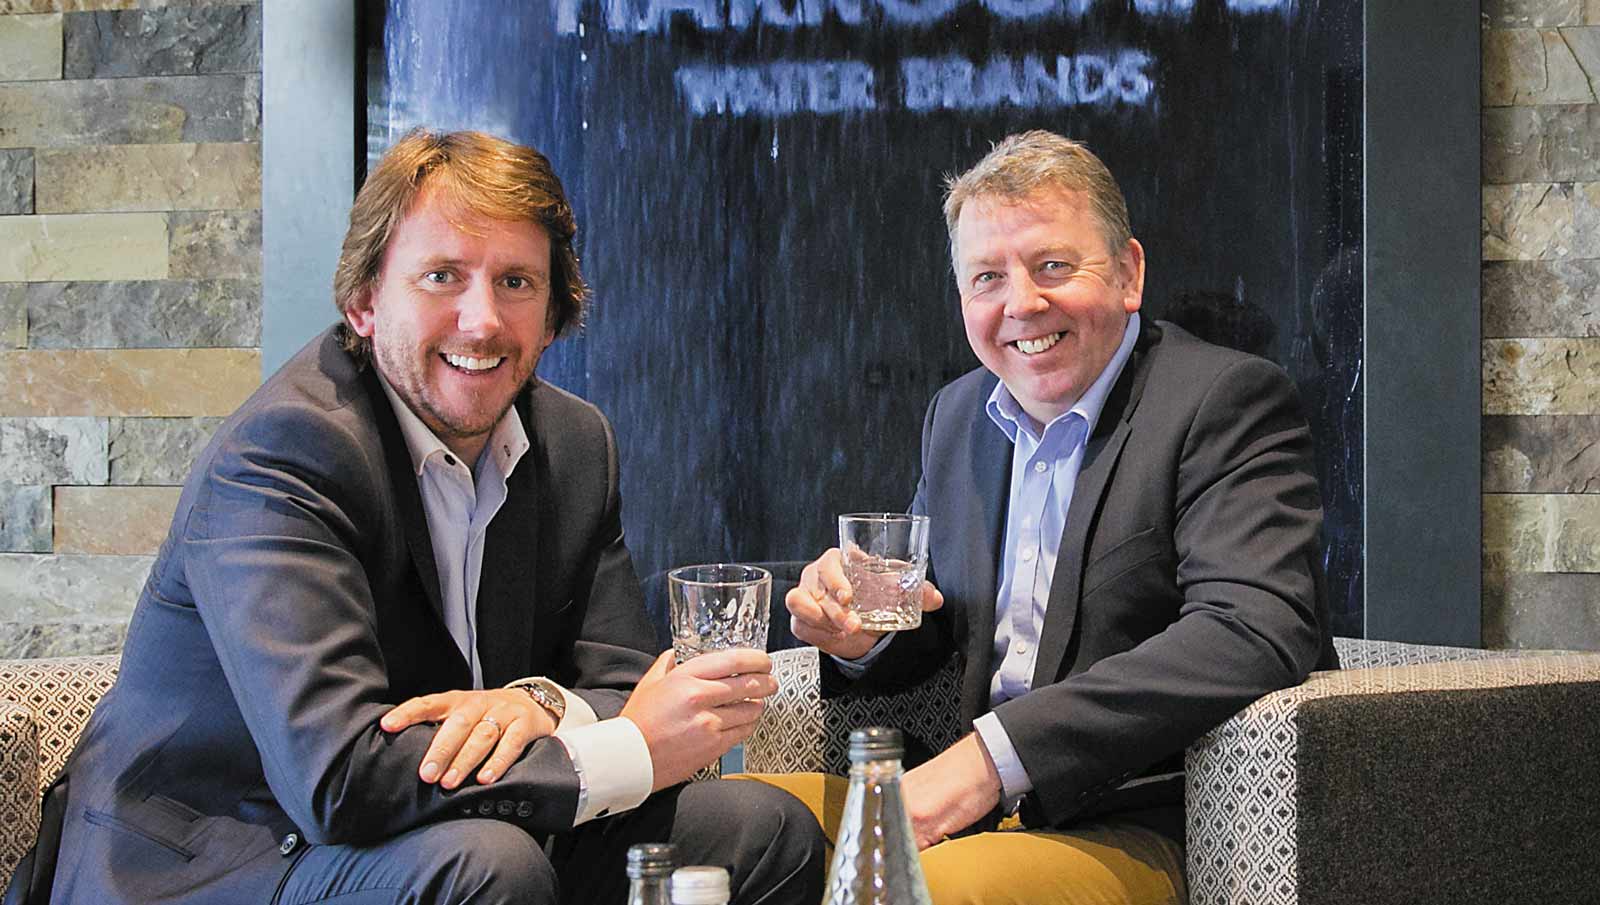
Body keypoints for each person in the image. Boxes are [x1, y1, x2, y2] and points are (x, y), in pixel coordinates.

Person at [27, 130, 824, 905]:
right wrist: (621, 750)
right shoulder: (285, 451)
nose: (483, 320)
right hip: (221, 858)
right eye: (443, 276)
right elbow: (338, 775)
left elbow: (622, 677)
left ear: (554, 314)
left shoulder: (575, 444)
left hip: (446, 829)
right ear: (364, 302)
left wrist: (542, 704)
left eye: (516, 282)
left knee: (763, 829)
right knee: (488, 866)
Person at [783, 130, 1337, 904]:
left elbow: (1255, 628)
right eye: (987, 277)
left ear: (1129, 272)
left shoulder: (1224, 401)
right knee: (733, 824)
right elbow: (935, 619)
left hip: (1137, 819)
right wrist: (860, 629)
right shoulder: (958, 415)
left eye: (1052, 266)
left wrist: (991, 758)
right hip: (979, 814)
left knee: (910, 888)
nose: (1021, 303)